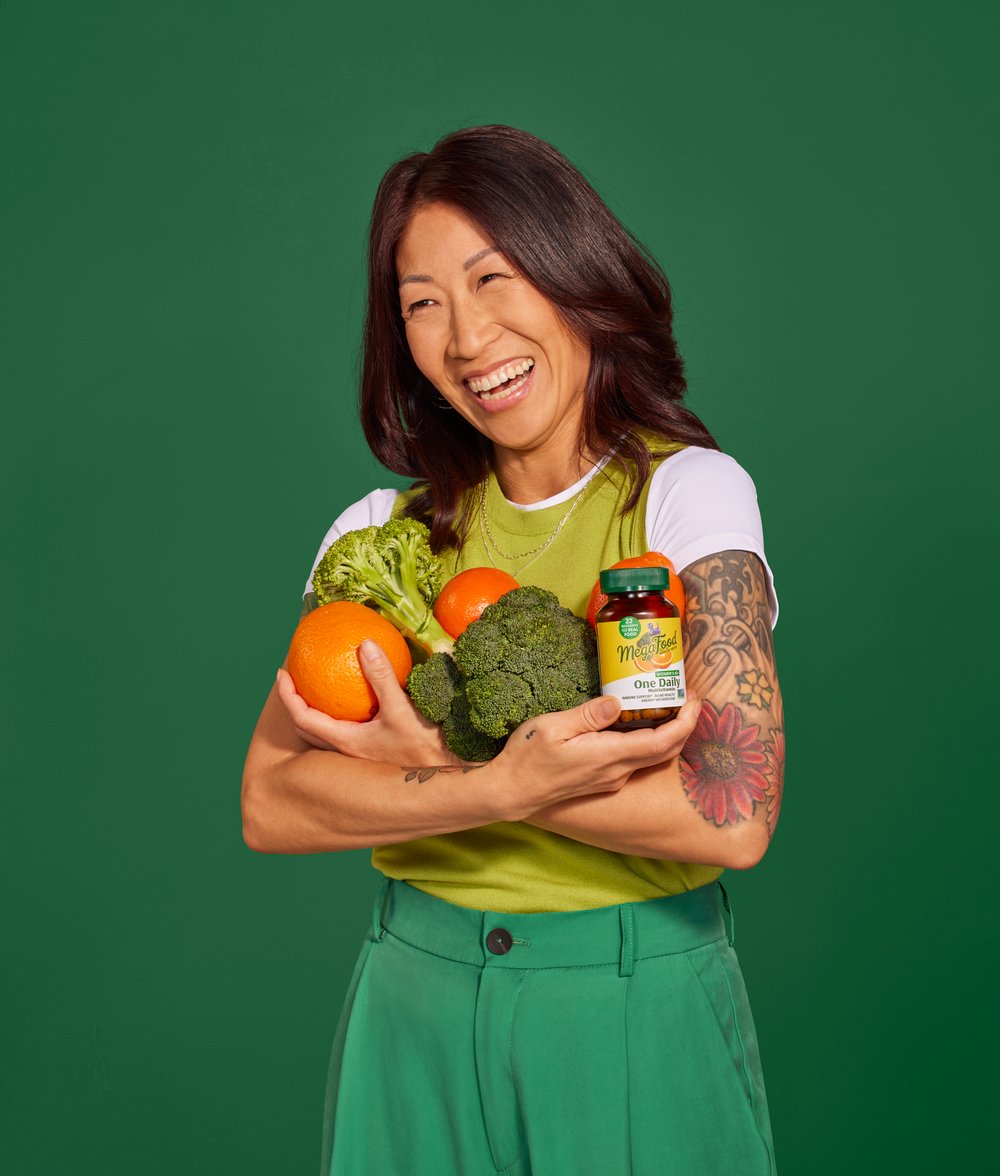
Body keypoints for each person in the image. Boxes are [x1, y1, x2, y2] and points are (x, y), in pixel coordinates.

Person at [242, 125, 784, 1175]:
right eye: (421, 303)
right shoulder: (375, 538)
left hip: (628, 1004)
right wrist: (490, 789)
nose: (466, 336)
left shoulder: (685, 496)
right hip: (412, 1001)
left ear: (575, 271)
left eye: (495, 278)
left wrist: (449, 771)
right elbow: (272, 800)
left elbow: (733, 813)